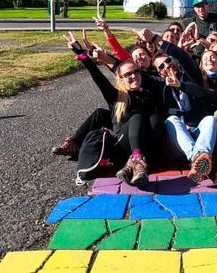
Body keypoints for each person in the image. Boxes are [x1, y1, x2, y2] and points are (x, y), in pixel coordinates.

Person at [64, 32, 165, 186]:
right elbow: (97, 76)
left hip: (146, 145)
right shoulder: (116, 96)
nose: (133, 76)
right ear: (121, 79)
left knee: (156, 118)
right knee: (137, 116)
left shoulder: (148, 94)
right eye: (128, 74)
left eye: (136, 72)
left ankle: (133, 166)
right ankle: (136, 160)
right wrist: (80, 52)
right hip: (120, 145)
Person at [155, 53, 217, 183]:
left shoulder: (191, 77)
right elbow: (134, 74)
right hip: (176, 143)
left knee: (210, 119)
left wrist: (181, 86)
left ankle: (199, 159)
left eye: (168, 60)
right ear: (160, 73)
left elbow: (203, 94)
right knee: (172, 120)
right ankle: (201, 160)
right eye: (162, 66)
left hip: (198, 136)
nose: (167, 65)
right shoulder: (160, 86)